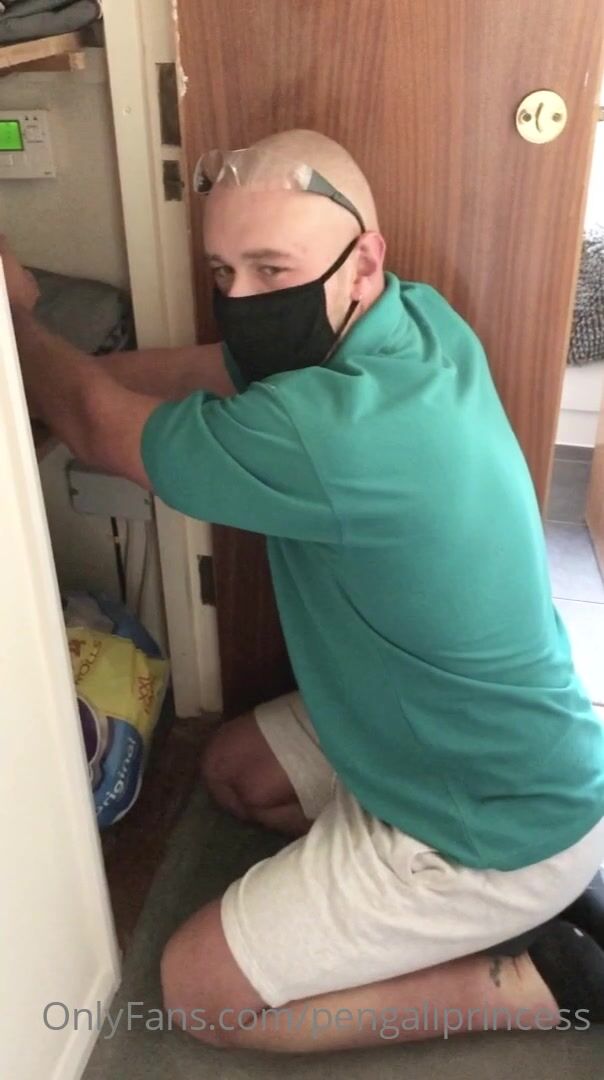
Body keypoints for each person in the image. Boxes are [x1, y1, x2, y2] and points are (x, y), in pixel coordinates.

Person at [4, 128, 604, 1053]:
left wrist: (16, 322)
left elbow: (95, 422)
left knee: (200, 994)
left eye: (272, 269)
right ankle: (509, 896)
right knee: (234, 774)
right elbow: (194, 372)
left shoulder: (329, 434)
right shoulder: (411, 319)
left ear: (364, 258)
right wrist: (44, 386)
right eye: (223, 271)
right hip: (479, 739)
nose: (242, 300)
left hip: (488, 814)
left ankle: (539, 981)